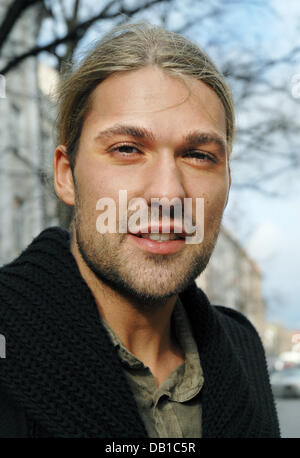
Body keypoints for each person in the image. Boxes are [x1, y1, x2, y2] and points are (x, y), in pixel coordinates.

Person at [0, 22, 280, 438]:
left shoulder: (242, 349)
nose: (168, 193)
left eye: (199, 155)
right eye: (127, 149)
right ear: (66, 175)